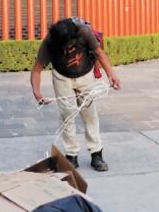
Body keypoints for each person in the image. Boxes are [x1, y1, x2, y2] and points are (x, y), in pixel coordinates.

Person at [31, 17, 121, 171]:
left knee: (89, 114)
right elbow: (37, 69)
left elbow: (99, 52)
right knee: (67, 115)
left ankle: (96, 154)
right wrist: (37, 92)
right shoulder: (50, 42)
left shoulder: (84, 32)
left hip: (85, 76)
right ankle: (71, 155)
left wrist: (111, 74)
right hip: (62, 78)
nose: (67, 49)